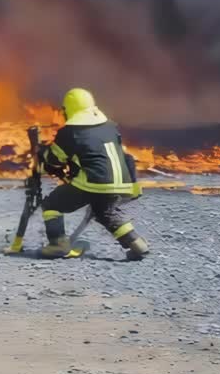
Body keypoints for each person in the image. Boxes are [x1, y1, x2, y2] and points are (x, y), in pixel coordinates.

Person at [38, 88, 149, 260]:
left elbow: (54, 160)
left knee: (52, 204)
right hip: (122, 181)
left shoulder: (70, 133)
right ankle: (137, 244)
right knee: (105, 212)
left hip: (94, 182)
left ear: (69, 110)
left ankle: (58, 244)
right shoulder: (110, 126)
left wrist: (43, 154)